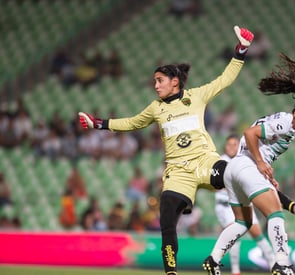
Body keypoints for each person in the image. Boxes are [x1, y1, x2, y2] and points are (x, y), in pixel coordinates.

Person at [77, 26, 254, 275]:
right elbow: (132, 122)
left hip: (204, 162)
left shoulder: (197, 96)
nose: (155, 85)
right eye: (154, 81)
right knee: (167, 221)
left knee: (238, 172)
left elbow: (225, 79)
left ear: (175, 82)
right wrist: (99, 123)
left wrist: (241, 50)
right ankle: (171, 272)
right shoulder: (155, 108)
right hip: (177, 173)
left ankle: (285, 205)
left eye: (159, 81)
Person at [203, 53, 295, 275]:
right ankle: (282, 263)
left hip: (236, 170)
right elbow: (250, 133)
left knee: (243, 223)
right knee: (274, 214)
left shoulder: (288, 126)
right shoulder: (286, 123)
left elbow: (258, 146)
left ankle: (213, 259)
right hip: (246, 165)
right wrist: (259, 162)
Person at [214, 134, 295, 275]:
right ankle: (236, 271)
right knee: (237, 234)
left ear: (239, 146)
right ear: (225, 147)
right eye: (229, 144)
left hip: (246, 202)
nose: (232, 147)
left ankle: (272, 265)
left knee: (258, 235)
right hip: (226, 205)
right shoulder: (222, 161)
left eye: (234, 144)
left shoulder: (245, 159)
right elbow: (215, 185)